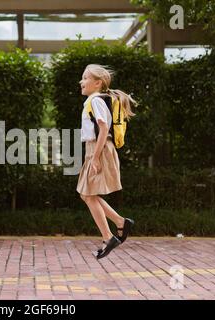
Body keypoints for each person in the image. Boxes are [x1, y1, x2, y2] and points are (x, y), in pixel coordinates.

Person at [76, 64, 136, 259]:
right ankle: (119, 223)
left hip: (98, 149)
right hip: (94, 149)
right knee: (87, 195)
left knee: (87, 194)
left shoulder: (95, 101)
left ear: (97, 83)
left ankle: (110, 235)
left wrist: (95, 157)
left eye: (85, 78)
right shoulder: (94, 101)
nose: (81, 82)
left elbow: (103, 129)